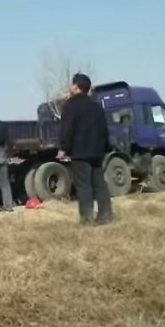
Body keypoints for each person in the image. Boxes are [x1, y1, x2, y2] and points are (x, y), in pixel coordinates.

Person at [57, 73, 113, 226]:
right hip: (97, 152)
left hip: (80, 152)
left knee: (83, 186)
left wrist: (63, 148)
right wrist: (106, 147)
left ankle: (87, 219)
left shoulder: (70, 106)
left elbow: (67, 129)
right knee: (99, 184)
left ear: (75, 87)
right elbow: (104, 130)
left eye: (71, 84)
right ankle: (105, 216)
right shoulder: (96, 107)